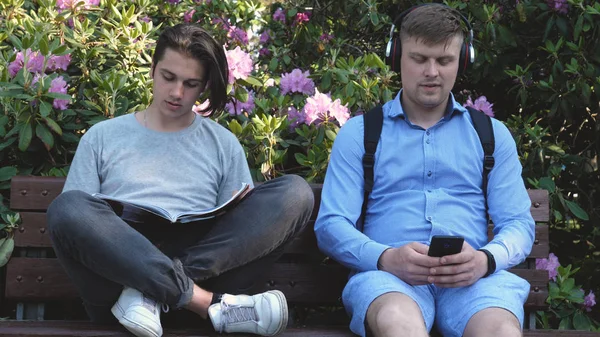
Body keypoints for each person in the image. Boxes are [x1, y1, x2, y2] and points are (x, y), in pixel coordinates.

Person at [46, 23, 314, 337]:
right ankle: (201, 301)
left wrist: (160, 276)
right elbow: (76, 232)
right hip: (118, 296)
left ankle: (151, 292)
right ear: (153, 70)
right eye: (168, 77)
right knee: (69, 208)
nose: (177, 93)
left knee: (296, 193)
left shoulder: (223, 145)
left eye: (190, 83)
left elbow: (236, 241)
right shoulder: (102, 138)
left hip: (204, 278)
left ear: (203, 87)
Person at [314, 4, 535, 337]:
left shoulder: (491, 135)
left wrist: (485, 260)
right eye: (419, 59)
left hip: (475, 284)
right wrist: (386, 258)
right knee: (398, 325)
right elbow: (332, 225)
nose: (432, 72)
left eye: (444, 60)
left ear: (462, 61)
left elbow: (518, 223)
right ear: (396, 57)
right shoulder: (360, 134)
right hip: (389, 281)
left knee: (500, 332)